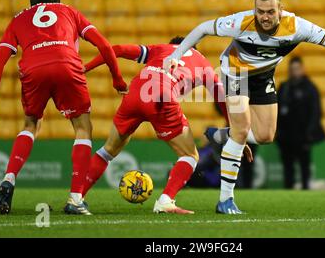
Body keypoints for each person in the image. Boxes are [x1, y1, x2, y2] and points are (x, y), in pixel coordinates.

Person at [164, 0, 325, 214]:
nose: (264, 17)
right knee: (241, 130)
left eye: (270, 12)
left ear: (281, 10)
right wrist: (175, 56)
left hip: (263, 77)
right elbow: (203, 29)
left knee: (265, 136)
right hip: (235, 74)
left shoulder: (297, 27)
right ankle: (225, 200)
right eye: (260, 11)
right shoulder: (241, 22)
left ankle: (222, 135)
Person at [0, 0, 126, 215]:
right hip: (67, 65)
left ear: (32, 5)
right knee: (82, 127)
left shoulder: (18, 18)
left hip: (33, 70)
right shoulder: (69, 11)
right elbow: (105, 46)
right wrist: (117, 79)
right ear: (57, 2)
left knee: (30, 124)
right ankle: (76, 199)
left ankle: (9, 178)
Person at [82, 37, 252, 214]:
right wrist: (235, 134)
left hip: (134, 93)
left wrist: (86, 68)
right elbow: (222, 99)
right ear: (194, 48)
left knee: (107, 150)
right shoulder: (203, 63)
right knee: (190, 155)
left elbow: (116, 48)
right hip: (162, 97)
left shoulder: (160, 48)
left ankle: (77, 197)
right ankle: (166, 201)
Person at [276, 56, 325, 190]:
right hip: (286, 136)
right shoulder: (284, 87)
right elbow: (276, 110)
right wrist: (278, 132)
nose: (294, 72)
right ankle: (288, 192)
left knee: (305, 166)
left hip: (303, 135)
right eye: (292, 69)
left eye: (297, 68)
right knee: (288, 167)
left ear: (302, 69)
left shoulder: (310, 88)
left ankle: (305, 189)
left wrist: (310, 133)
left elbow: (316, 112)